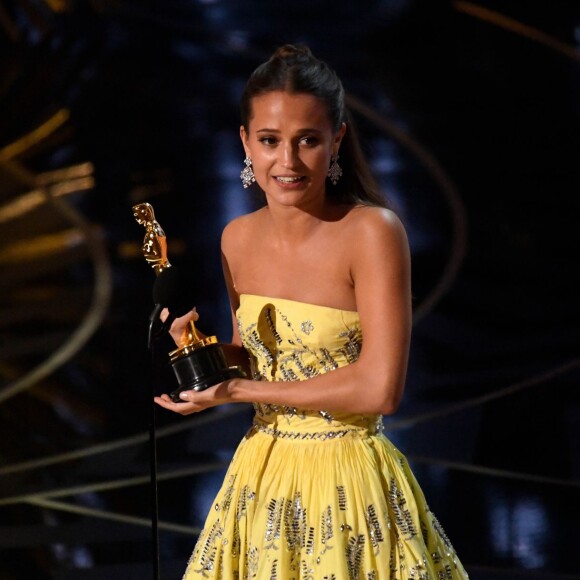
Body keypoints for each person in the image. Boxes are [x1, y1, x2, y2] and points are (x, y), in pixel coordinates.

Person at [154, 45, 469, 579]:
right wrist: (205, 353)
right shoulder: (236, 238)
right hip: (262, 479)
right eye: (270, 141)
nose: (289, 162)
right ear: (245, 143)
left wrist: (239, 392)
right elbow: (256, 359)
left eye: (308, 141)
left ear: (337, 139)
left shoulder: (372, 233)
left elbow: (379, 389)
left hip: (349, 483)